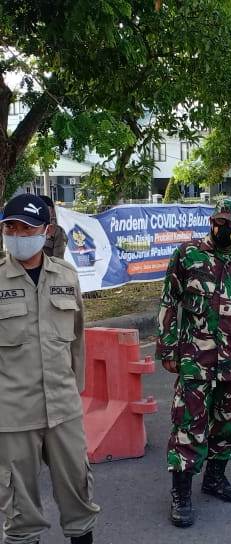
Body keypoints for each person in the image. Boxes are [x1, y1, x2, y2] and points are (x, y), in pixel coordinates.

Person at [157, 198, 231, 527]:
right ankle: (181, 492)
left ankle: (215, 478)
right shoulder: (188, 255)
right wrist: (167, 349)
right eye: (219, 222)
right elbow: (169, 302)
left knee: (228, 425)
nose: (224, 229)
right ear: (212, 220)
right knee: (188, 427)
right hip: (197, 360)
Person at [0, 194, 100, 544]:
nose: (18, 233)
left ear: (47, 231)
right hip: (13, 414)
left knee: (79, 495)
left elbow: (77, 340)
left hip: (63, 408)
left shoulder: (66, 276)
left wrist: (76, 393)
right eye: (10, 226)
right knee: (19, 508)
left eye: (27, 227)